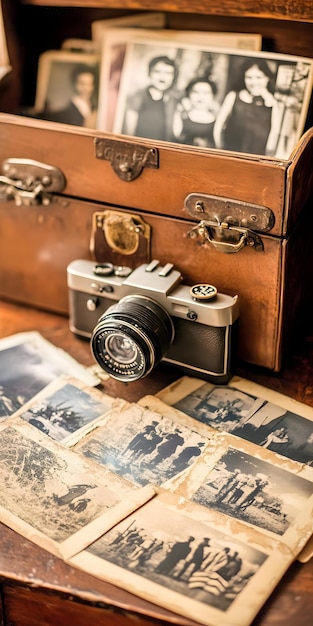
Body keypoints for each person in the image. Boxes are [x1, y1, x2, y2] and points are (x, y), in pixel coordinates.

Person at [213, 58, 278, 155]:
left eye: (259, 77)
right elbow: (218, 125)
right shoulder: (233, 96)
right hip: (230, 152)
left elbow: (274, 133)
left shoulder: (273, 103)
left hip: (256, 156)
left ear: (267, 78)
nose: (253, 82)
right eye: (249, 77)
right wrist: (219, 148)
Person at [122, 55, 178, 141]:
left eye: (168, 73)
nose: (162, 77)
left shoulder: (173, 99)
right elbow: (129, 131)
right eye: (157, 72)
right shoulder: (138, 97)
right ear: (149, 73)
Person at [173, 77, 219, 147]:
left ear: (213, 96)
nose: (200, 96)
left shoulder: (218, 122)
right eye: (195, 92)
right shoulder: (182, 116)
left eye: (206, 93)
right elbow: (176, 136)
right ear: (189, 94)